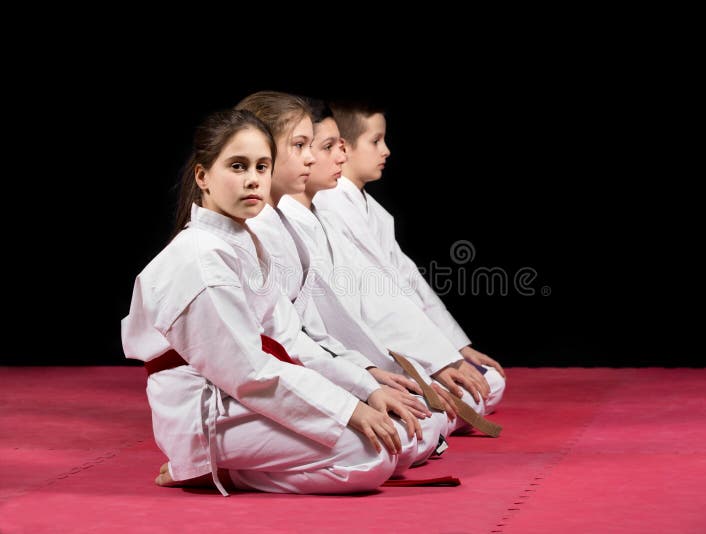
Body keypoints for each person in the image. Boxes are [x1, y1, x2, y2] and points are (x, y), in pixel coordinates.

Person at [121, 109, 407, 497]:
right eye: (238, 166)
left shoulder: (243, 243)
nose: (253, 179)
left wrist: (363, 388)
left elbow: (289, 338)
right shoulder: (199, 259)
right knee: (371, 457)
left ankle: (230, 466)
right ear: (203, 176)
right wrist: (346, 409)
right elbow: (248, 373)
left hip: (242, 396)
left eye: (262, 166)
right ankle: (211, 468)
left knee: (400, 439)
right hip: (208, 412)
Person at [233, 91, 445, 464]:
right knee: (387, 447)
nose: (313, 157)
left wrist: (367, 375)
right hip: (248, 393)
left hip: (304, 369)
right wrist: (356, 394)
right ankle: (220, 466)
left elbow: (311, 328)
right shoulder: (242, 236)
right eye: (301, 146)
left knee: (421, 425)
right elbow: (275, 350)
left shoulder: (283, 225)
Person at [277, 97, 501, 435]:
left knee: (469, 393)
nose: (385, 151)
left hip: (358, 356)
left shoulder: (328, 214)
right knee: (420, 424)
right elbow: (317, 328)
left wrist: (449, 351)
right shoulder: (305, 215)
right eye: (374, 140)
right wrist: (371, 375)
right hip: (317, 369)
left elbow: (399, 288)